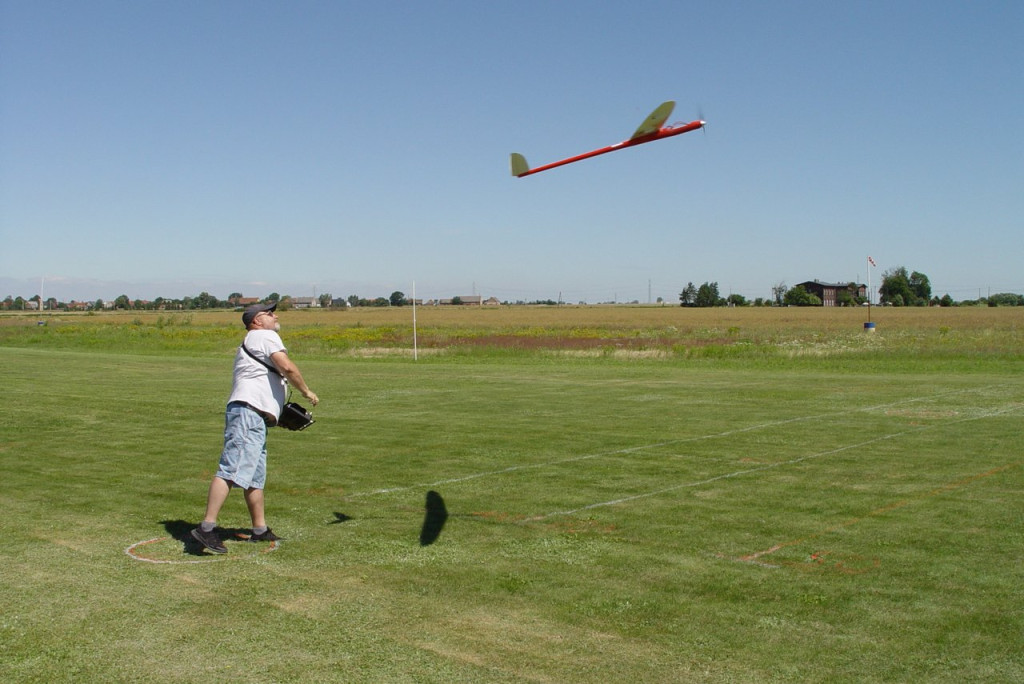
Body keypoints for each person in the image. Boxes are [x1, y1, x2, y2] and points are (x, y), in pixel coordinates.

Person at [191, 302, 319, 554]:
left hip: (253, 415)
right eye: (269, 313)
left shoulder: (256, 337)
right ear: (256, 321)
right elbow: (287, 366)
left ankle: (259, 529)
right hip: (248, 413)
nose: (275, 316)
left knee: (254, 476)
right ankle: (206, 528)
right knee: (231, 468)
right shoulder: (264, 335)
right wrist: (306, 391)